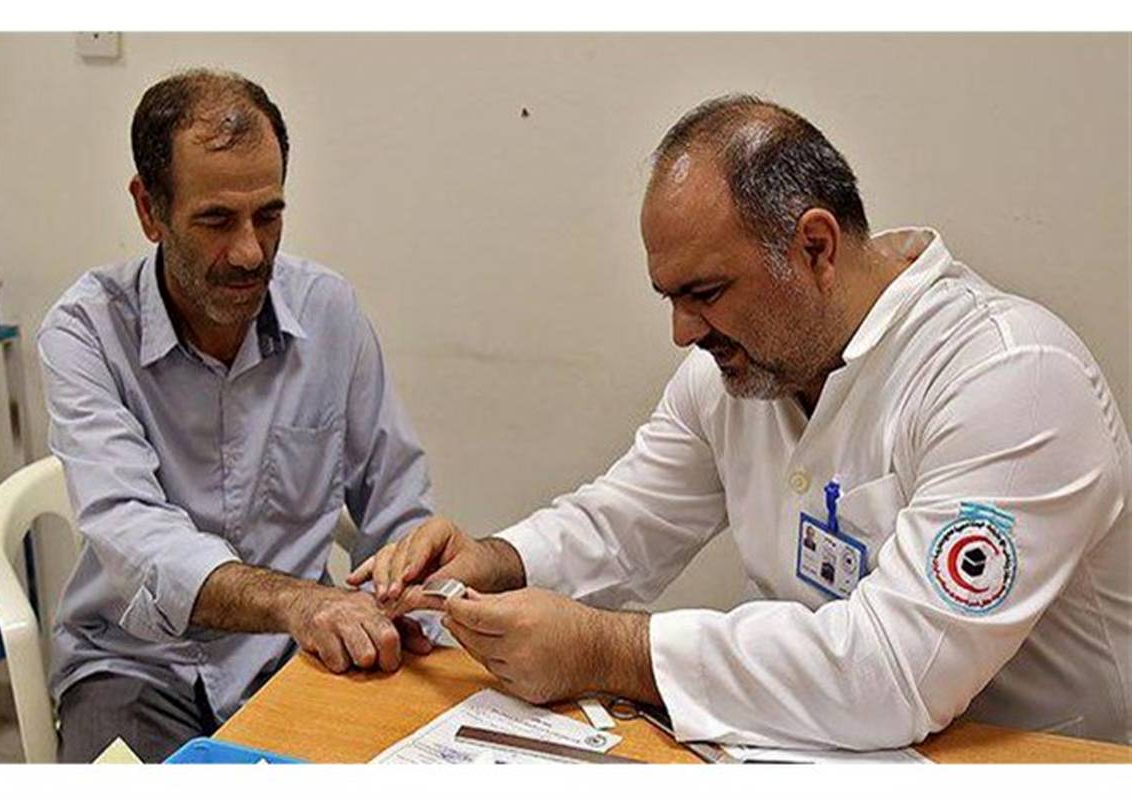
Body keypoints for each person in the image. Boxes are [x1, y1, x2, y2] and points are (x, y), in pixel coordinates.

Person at [355, 95, 1132, 749]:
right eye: (671, 298)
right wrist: (493, 561)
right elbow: (623, 521)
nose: (683, 332)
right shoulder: (735, 374)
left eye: (705, 293)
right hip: (814, 752)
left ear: (816, 246)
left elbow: (896, 671)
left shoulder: (1011, 376)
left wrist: (607, 650)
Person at [38, 69, 434, 762]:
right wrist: (296, 601)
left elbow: (395, 506)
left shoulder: (328, 311)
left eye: (269, 215)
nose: (251, 252)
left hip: (296, 657)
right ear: (149, 210)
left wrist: (416, 593)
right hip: (134, 666)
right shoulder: (87, 332)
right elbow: (135, 532)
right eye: (217, 220)